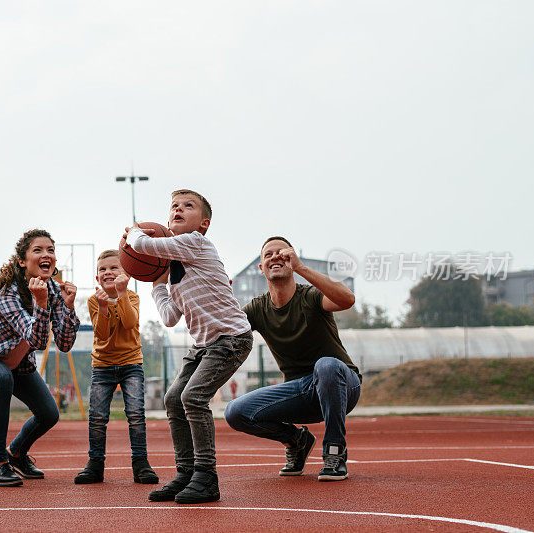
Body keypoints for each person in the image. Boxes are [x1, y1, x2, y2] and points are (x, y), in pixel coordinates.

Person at [123, 189, 253, 504]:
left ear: (203, 223)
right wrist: (157, 283)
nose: (179, 209)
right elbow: (169, 317)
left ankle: (206, 477)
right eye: (174, 206)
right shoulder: (175, 274)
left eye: (188, 206)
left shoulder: (197, 243)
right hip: (204, 344)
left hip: (231, 338)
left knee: (192, 397)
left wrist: (134, 232)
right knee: (172, 399)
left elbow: (141, 244)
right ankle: (185, 474)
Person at [224, 236, 361, 481]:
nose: (275, 256)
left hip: (341, 385)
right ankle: (296, 441)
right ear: (261, 268)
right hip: (300, 394)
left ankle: (335, 451)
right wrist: (220, 296)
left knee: (326, 364)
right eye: (268, 254)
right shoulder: (257, 308)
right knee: (235, 412)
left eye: (282, 253)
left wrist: (302, 268)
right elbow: (223, 329)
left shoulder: (310, 296)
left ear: (292, 260)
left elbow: (347, 300)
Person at [0, 229, 80, 487]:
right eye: (38, 250)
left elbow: (65, 344)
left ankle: (17, 453)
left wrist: (68, 306)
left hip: (15, 358)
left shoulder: (53, 290)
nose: (46, 255)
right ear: (22, 260)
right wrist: (41, 305)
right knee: (1, 378)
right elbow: (39, 341)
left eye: (51, 250)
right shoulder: (8, 292)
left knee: (49, 413)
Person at [74, 250, 159, 485]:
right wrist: (103, 307)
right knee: (97, 417)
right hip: (102, 365)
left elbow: (130, 323)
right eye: (103, 269)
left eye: (114, 268)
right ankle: (95, 464)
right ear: (97, 277)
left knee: (135, 414)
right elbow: (101, 334)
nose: (108, 272)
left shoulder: (131, 297)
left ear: (125, 274)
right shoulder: (94, 300)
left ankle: (141, 463)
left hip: (131, 363)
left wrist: (120, 294)